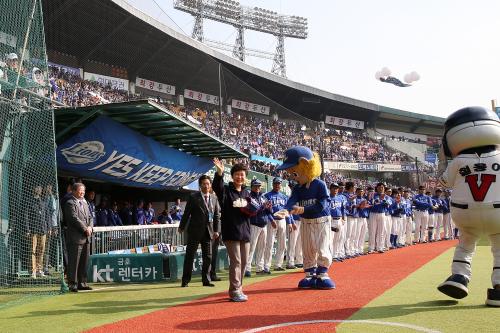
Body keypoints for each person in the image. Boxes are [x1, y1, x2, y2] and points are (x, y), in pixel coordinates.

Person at [212, 158, 252, 302]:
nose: (240, 177)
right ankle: (235, 290)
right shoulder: (227, 190)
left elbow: (253, 210)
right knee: (236, 261)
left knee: (244, 261)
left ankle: (237, 288)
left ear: (245, 177)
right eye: (237, 174)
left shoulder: (247, 193)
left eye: (242, 174)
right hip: (231, 231)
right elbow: (217, 187)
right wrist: (219, 173)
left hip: (245, 232)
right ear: (232, 175)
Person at [178, 175, 221, 287]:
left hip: (208, 232)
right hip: (194, 231)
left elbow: (216, 216)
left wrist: (216, 230)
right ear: (200, 185)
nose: (206, 186)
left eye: (208, 184)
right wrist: (181, 227)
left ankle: (206, 280)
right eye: (204, 184)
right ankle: (185, 280)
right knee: (190, 256)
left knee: (208, 256)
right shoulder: (193, 197)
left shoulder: (214, 198)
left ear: (210, 185)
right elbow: (187, 213)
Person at [63, 183, 93, 292]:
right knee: (74, 262)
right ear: (74, 191)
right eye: (80, 191)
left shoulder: (85, 203)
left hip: (86, 237)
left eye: (84, 191)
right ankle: (73, 284)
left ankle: (82, 283)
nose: (83, 193)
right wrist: (85, 228)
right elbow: (73, 219)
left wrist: (90, 227)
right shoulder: (69, 203)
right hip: (75, 237)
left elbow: (90, 217)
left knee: (84, 261)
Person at [245, 179, 273, 276]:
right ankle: (246, 268)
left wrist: (269, 207)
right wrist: (263, 207)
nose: (257, 188)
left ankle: (259, 268)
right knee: (251, 247)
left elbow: (270, 211)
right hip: (254, 224)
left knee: (262, 248)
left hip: (264, 225)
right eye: (256, 186)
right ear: (252, 186)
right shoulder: (249, 197)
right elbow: (253, 210)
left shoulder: (263, 197)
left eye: (259, 186)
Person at [264, 177, 291, 272]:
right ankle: (266, 266)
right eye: (275, 183)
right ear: (273, 184)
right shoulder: (267, 195)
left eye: (279, 184)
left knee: (282, 244)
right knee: (269, 243)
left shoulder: (284, 197)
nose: (277, 185)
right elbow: (266, 210)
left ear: (280, 185)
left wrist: (290, 222)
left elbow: (288, 210)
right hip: (272, 220)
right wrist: (271, 220)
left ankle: (278, 265)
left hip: (282, 220)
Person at [27, 185, 49, 279]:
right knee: (32, 250)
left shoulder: (43, 202)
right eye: (37, 188)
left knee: (42, 250)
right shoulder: (29, 202)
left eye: (40, 188)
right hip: (33, 230)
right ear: (33, 189)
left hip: (43, 229)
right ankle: (33, 271)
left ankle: (40, 270)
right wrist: (27, 229)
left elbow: (47, 215)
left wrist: (49, 227)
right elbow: (26, 216)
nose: (39, 190)